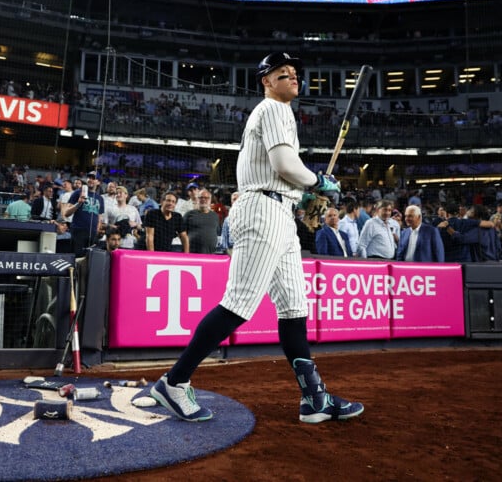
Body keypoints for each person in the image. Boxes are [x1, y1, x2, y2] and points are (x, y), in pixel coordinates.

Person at [149, 52, 362, 424]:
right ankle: (174, 381)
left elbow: (282, 173)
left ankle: (314, 398)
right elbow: (284, 166)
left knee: (295, 307)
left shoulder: (278, 112)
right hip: (263, 211)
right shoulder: (273, 109)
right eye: (283, 74)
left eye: (295, 73)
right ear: (266, 80)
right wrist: (319, 181)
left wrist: (303, 195)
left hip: (278, 210)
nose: (293, 78)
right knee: (239, 303)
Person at [65, 171, 105, 257]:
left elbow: (99, 217)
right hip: (78, 231)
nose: (90, 180)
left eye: (93, 178)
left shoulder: (100, 198)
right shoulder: (78, 192)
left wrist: (97, 232)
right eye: (89, 177)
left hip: (93, 234)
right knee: (77, 259)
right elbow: (66, 213)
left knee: (91, 261)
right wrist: (78, 203)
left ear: (99, 182)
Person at [184, 189, 221, 254]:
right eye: (201, 197)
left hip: (211, 254)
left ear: (210, 200)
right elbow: (182, 233)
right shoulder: (189, 214)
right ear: (197, 199)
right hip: (192, 253)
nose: (203, 199)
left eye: (206, 198)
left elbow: (217, 232)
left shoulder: (215, 216)